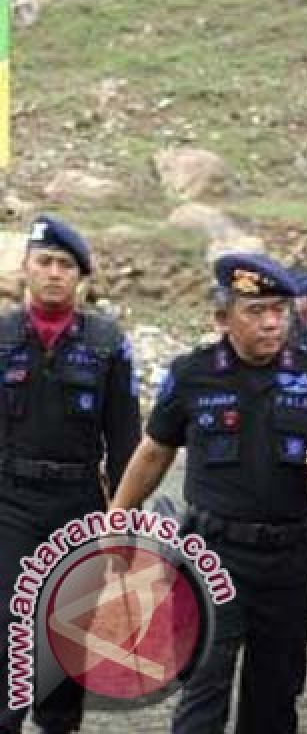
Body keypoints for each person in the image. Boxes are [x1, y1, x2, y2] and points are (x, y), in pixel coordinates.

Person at [110, 252, 307, 734]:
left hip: (289, 558)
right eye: (256, 312)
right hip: (214, 555)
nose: (272, 323)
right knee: (203, 688)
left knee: (275, 697)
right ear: (222, 318)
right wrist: (117, 518)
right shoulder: (192, 374)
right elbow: (155, 452)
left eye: (280, 310)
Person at [0, 215, 142, 734]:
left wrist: (124, 520)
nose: (55, 273)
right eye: (46, 262)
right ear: (26, 268)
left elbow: (127, 439)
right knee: (8, 628)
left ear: (80, 277)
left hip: (78, 501)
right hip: (9, 500)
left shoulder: (107, 344)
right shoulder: (2, 336)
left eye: (66, 265)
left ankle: (59, 724)